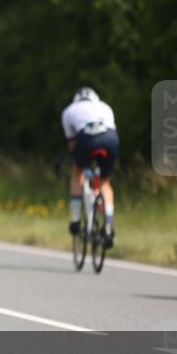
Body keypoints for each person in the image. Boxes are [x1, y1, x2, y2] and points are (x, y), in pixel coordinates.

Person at [61, 87, 119, 247]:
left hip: (86, 139)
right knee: (105, 183)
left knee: (77, 173)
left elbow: (72, 143)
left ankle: (75, 219)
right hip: (110, 138)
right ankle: (108, 225)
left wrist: (77, 160)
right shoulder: (105, 106)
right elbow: (113, 129)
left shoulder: (69, 111)